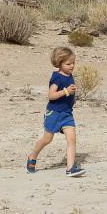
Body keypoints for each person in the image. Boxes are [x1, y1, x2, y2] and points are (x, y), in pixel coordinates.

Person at [26, 46, 86, 177]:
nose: (72, 66)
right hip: (54, 113)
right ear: (59, 63)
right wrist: (65, 92)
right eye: (68, 63)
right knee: (47, 139)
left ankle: (70, 168)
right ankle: (32, 156)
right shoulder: (57, 77)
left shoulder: (70, 76)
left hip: (67, 114)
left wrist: (72, 99)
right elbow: (51, 95)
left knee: (72, 139)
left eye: (73, 63)